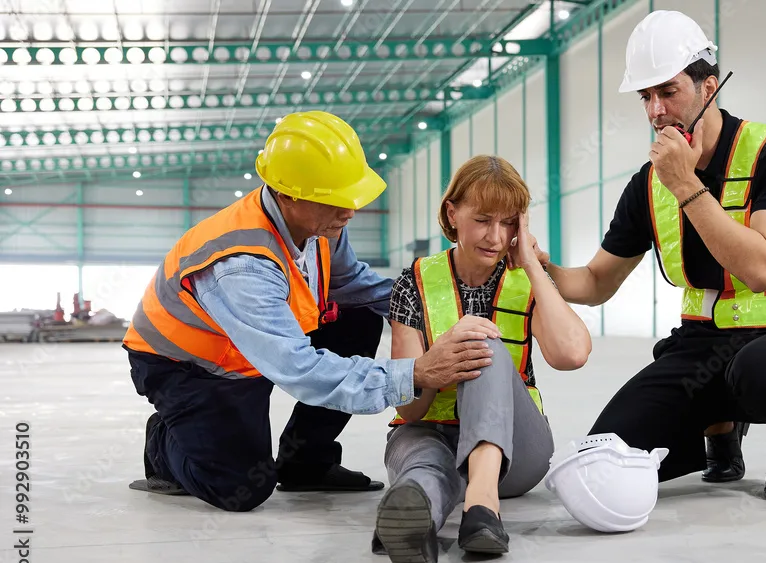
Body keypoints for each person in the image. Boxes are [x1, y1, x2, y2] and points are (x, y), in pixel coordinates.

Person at [122, 111, 496, 512]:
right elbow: (298, 368)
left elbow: (354, 283)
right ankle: (164, 443)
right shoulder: (242, 264)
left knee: (358, 318)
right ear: (288, 196)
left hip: (249, 351)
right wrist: (417, 373)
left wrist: (444, 301)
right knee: (240, 488)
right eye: (336, 200)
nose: (350, 211)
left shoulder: (320, 224)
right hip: (190, 367)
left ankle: (305, 463)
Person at [529, 10, 766, 501]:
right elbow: (598, 282)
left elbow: (761, 268)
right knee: (603, 458)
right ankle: (719, 432)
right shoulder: (649, 183)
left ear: (709, 87)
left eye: (668, 92)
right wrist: (543, 269)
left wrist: (686, 184)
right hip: (699, 348)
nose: (655, 110)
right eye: (646, 97)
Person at [370, 155, 592, 562]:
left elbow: (573, 354)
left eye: (508, 222)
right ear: (452, 214)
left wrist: (532, 265)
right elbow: (410, 409)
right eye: (483, 219)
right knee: (424, 473)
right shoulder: (413, 283)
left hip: (516, 450)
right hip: (428, 432)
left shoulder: (526, 280)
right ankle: (411, 517)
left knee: (484, 344)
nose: (495, 235)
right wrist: (439, 361)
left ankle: (483, 504)